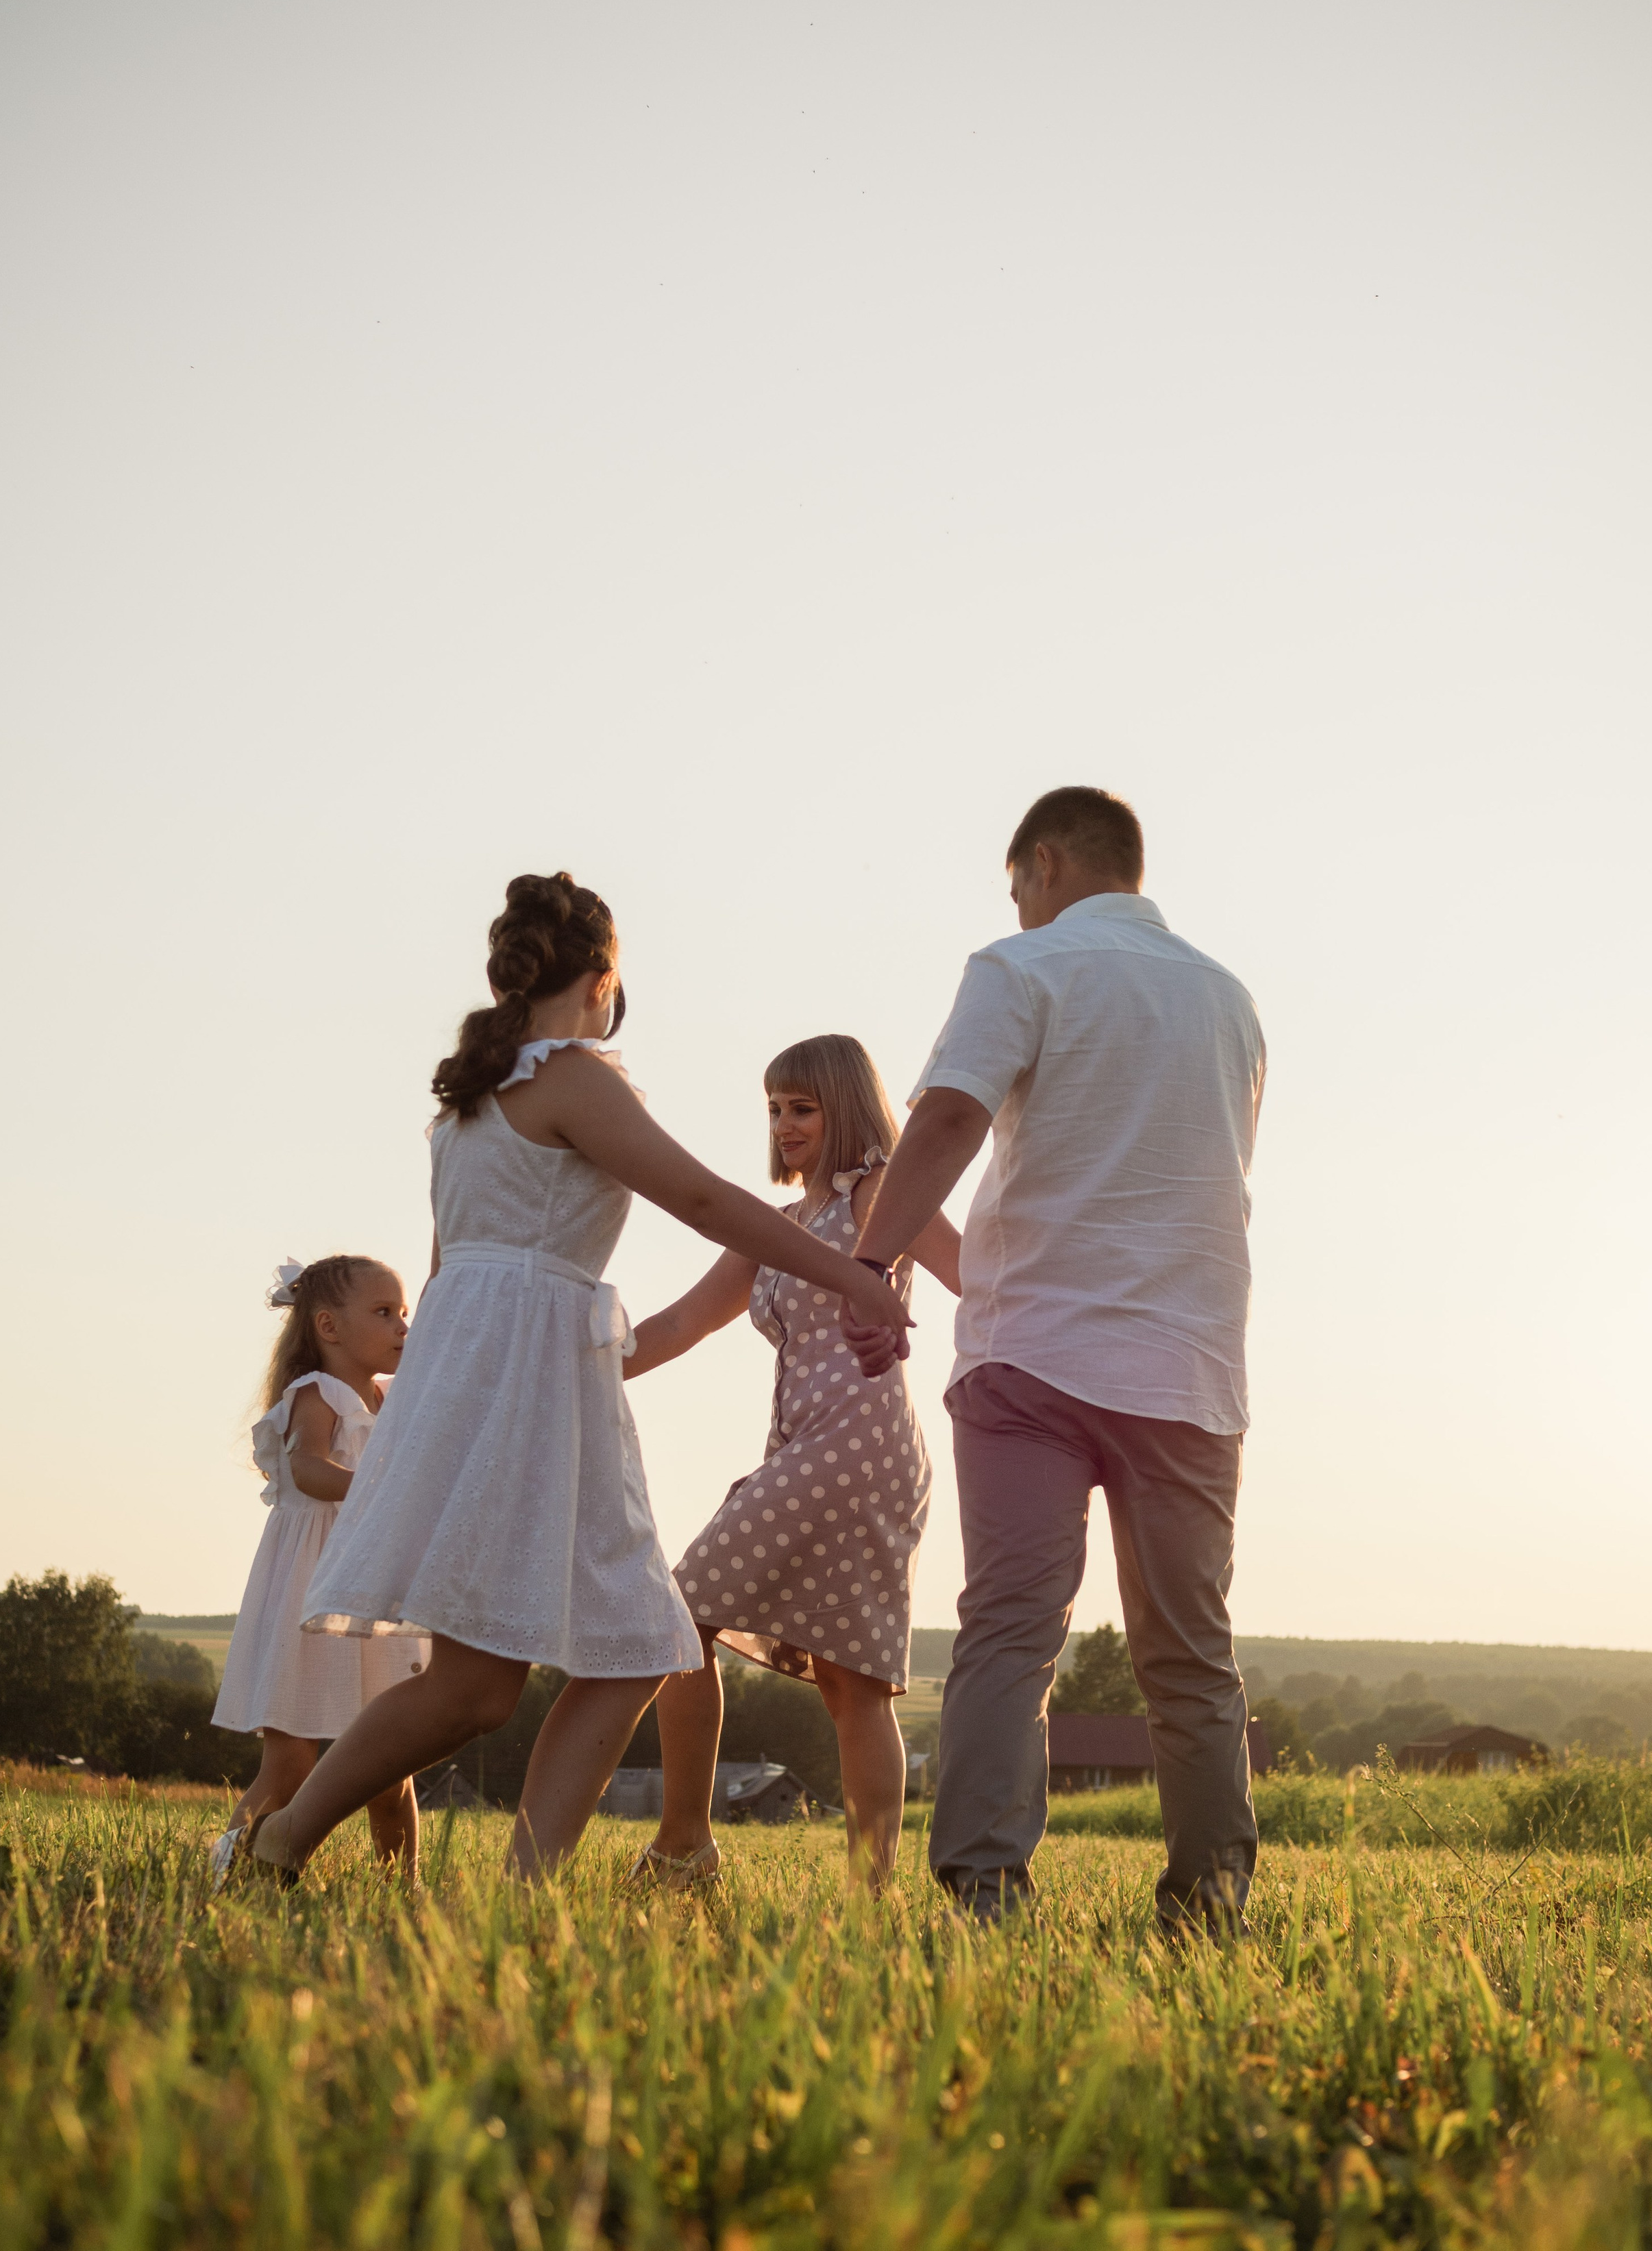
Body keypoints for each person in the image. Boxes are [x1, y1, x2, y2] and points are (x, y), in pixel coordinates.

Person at [232, 874, 913, 1887]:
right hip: (529, 1381)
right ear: (602, 979)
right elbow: (702, 1196)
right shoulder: (577, 1075)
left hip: (491, 1369)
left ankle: (392, 1866)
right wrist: (850, 1275)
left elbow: (449, 1272)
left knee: (553, 1667)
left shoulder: (469, 1102)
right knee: (530, 1672)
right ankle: (323, 1848)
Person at [843, 787, 1267, 1933]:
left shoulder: (1022, 965)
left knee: (1013, 1627)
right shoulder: (1230, 999)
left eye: (1018, 881)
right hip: (1187, 1365)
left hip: (1033, 1350)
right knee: (1190, 1653)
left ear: (1046, 860)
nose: (1019, 905)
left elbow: (941, 1121)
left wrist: (870, 1260)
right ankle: (1213, 1892)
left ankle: (984, 1883)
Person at [621, 1035, 960, 1889]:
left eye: (802, 1107)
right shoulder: (778, 1227)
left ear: (844, 1108)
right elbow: (681, 1324)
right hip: (805, 1445)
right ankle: (842, 1887)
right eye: (774, 1108)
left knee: (690, 1616)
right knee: (847, 1683)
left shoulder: (879, 1190)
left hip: (860, 1444)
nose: (783, 1124)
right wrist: (573, 1357)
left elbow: (973, 1269)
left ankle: (690, 1848)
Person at [210, 1255, 427, 1886]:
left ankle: (401, 1887)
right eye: (384, 1313)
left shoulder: (388, 1397)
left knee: (393, 1762)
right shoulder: (318, 1392)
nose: (401, 1326)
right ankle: (233, 1865)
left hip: (373, 1587)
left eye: (404, 1312)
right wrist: (377, 1490)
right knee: (290, 1763)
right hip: (310, 1584)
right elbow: (306, 1467)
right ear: (329, 1326)